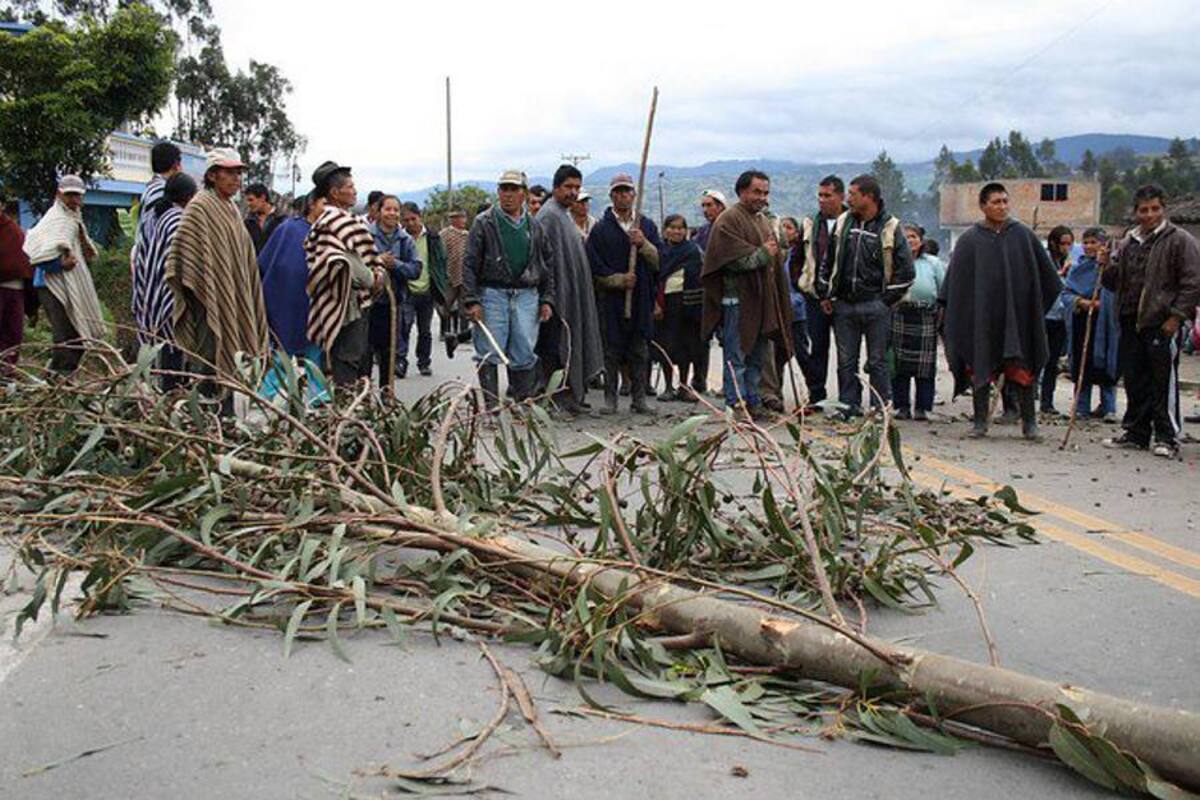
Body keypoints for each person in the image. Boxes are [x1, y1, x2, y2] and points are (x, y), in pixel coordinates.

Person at [940, 182, 1062, 440]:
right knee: (981, 366)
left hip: (1017, 317)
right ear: (983, 206)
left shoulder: (1023, 235)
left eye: (1005, 201)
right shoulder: (969, 240)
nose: (1002, 207)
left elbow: (1048, 278)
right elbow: (955, 286)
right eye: (996, 202)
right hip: (982, 319)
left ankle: (1029, 423)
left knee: (1024, 369)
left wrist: (1033, 310)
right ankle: (980, 422)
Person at [1101, 184, 1200, 458]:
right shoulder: (1127, 242)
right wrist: (1105, 266)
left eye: (1154, 209)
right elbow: (1112, 283)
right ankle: (1136, 432)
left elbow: (1192, 283)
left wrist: (1176, 317)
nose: (1149, 215)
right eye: (1143, 210)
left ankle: (1167, 436)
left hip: (1162, 321)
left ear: (1163, 209)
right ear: (1135, 212)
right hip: (1131, 319)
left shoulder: (1179, 240)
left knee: (1162, 380)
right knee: (1135, 378)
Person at [165, 149, 270, 401]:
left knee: (231, 367)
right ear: (212, 175)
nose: (236, 178)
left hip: (230, 300)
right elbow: (180, 258)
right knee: (209, 366)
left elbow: (240, 259)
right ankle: (204, 423)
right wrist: (208, 285)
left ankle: (223, 423)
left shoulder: (231, 208)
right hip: (207, 302)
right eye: (229, 172)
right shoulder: (200, 207)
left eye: (239, 173)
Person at [816, 174, 915, 419]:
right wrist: (825, 293)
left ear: (868, 197)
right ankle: (848, 406)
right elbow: (827, 261)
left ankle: (880, 408)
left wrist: (884, 301)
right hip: (845, 306)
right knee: (845, 361)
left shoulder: (890, 227)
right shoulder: (843, 223)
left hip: (875, 306)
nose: (848, 198)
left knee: (878, 362)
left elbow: (906, 272)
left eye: (853, 194)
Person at [700, 170, 792, 417]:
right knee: (737, 356)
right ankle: (736, 404)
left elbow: (774, 255)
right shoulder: (729, 220)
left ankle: (753, 402)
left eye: (765, 192)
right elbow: (730, 261)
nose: (762, 197)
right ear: (741, 192)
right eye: (756, 192)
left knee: (756, 357)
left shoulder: (762, 220)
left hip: (760, 301)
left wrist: (772, 253)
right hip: (737, 300)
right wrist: (764, 254)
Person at [462, 169, 554, 407]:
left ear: (524, 193)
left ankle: (522, 403)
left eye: (514, 189)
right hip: (492, 292)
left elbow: (547, 264)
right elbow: (470, 263)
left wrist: (547, 299)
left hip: (526, 294)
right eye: (504, 189)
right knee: (489, 350)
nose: (509, 194)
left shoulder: (534, 226)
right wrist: (472, 300)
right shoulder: (484, 222)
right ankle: (491, 408)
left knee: (523, 350)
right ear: (498, 191)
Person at [304, 161, 386, 388]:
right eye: (350, 186)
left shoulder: (329, 221)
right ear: (334, 192)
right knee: (346, 361)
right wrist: (374, 277)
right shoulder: (336, 221)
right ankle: (344, 410)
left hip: (340, 301)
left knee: (345, 360)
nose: (355, 191)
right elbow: (343, 263)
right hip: (346, 304)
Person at [587, 173, 664, 415]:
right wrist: (618, 280)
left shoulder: (646, 226)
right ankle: (611, 399)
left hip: (640, 300)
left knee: (639, 350)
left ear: (634, 195)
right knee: (611, 350)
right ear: (611, 196)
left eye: (627, 191)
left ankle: (638, 399)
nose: (623, 195)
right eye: (618, 191)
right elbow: (593, 266)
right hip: (611, 301)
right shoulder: (600, 230)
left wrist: (644, 245)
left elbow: (659, 261)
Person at [533, 164, 605, 415]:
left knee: (568, 347)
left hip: (570, 295)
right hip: (556, 299)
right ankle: (556, 400)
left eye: (577, 188)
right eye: (568, 187)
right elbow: (544, 263)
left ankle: (570, 397)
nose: (573, 193)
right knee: (555, 349)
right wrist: (551, 297)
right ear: (556, 188)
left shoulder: (563, 215)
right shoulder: (549, 216)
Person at [22, 175, 108, 374]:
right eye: (70, 195)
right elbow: (39, 255)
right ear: (59, 194)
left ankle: (62, 379)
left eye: (78, 195)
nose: (74, 200)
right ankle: (58, 381)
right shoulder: (58, 219)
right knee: (65, 338)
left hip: (63, 283)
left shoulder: (72, 217)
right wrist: (60, 263)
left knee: (75, 337)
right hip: (51, 286)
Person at [257, 191, 330, 404]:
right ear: (312, 204)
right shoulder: (288, 229)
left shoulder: (329, 234)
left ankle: (319, 399)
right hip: (285, 305)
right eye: (324, 202)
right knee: (282, 354)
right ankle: (266, 397)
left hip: (315, 307)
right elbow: (264, 264)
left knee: (314, 354)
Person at [138, 173, 198, 390]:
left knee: (164, 355)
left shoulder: (156, 215)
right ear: (190, 197)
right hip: (169, 297)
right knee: (172, 354)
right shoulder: (178, 220)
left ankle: (166, 395)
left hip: (153, 293)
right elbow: (181, 266)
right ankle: (171, 398)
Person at [796, 175, 845, 411]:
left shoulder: (851, 223)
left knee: (847, 352)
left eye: (828, 195)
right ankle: (817, 395)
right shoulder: (809, 225)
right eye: (820, 195)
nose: (822, 200)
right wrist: (803, 285)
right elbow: (797, 259)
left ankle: (848, 400)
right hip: (815, 297)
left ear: (841, 197)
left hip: (843, 299)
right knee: (817, 348)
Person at [1060, 227, 1118, 422]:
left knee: (1106, 363)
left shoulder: (1111, 268)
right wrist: (1083, 302)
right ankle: (1081, 407)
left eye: (1094, 242)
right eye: (1086, 242)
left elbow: (1117, 292)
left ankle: (1108, 407)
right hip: (1081, 321)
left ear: (1103, 245)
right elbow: (1066, 293)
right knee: (1081, 363)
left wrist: (1104, 303)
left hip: (1105, 323)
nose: (1089, 246)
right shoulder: (1078, 268)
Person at [890, 224, 945, 421]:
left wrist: (941, 317)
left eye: (913, 236)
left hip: (926, 316)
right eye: (905, 237)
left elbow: (943, 291)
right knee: (899, 366)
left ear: (921, 240)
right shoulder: (893, 261)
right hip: (900, 315)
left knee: (925, 367)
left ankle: (922, 408)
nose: (910, 240)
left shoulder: (933, 263)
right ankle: (902, 407)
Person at [366, 195, 421, 391]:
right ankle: (363, 399)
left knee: (389, 354)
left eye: (396, 210)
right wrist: (377, 260)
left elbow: (416, 270)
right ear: (379, 211)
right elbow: (357, 264)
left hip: (394, 305)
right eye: (388, 209)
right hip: (368, 305)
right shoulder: (366, 235)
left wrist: (395, 264)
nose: (392, 213)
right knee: (365, 353)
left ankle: (386, 399)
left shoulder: (405, 240)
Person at [132, 141, 182, 352]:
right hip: (158, 269)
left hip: (147, 265)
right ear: (177, 165)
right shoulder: (163, 195)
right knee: (163, 326)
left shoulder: (149, 190)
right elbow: (159, 240)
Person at [654, 214, 707, 402]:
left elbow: (698, 277)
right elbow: (656, 277)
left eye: (680, 228)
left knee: (688, 346)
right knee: (665, 345)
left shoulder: (692, 251)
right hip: (665, 304)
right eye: (672, 227)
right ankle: (668, 386)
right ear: (665, 230)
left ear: (685, 231)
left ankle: (684, 385)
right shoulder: (660, 251)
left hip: (688, 305)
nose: (676, 231)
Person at [398, 202, 446, 377]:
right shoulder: (401, 238)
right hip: (407, 290)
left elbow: (441, 261)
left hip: (427, 290)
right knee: (404, 328)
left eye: (413, 219)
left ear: (420, 217)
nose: (410, 223)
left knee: (425, 331)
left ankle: (424, 362)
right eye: (406, 220)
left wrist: (442, 286)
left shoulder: (432, 237)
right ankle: (400, 361)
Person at [1039, 226, 1075, 414]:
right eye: (1063, 243)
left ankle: (1047, 401)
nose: (1067, 247)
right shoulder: (1045, 259)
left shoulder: (1071, 261)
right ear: (1054, 243)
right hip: (1042, 315)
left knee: (1053, 361)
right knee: (1036, 358)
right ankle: (1027, 400)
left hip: (1060, 317)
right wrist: (1061, 274)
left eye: (1070, 243)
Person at [0, 198, 32, 377]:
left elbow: (24, 259)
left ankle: (7, 372)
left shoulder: (12, 229)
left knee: (12, 333)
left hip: (14, 289)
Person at [437, 208, 472, 358]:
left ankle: (463, 332)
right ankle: (444, 330)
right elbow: (441, 254)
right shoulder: (444, 235)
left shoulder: (468, 236)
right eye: (460, 218)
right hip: (449, 276)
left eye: (464, 218)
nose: (463, 221)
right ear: (454, 219)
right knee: (446, 304)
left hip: (464, 276)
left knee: (464, 305)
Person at [243, 183, 285, 254]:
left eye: (251, 200)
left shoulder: (282, 220)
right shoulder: (248, 222)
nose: (248, 204)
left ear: (262, 198)